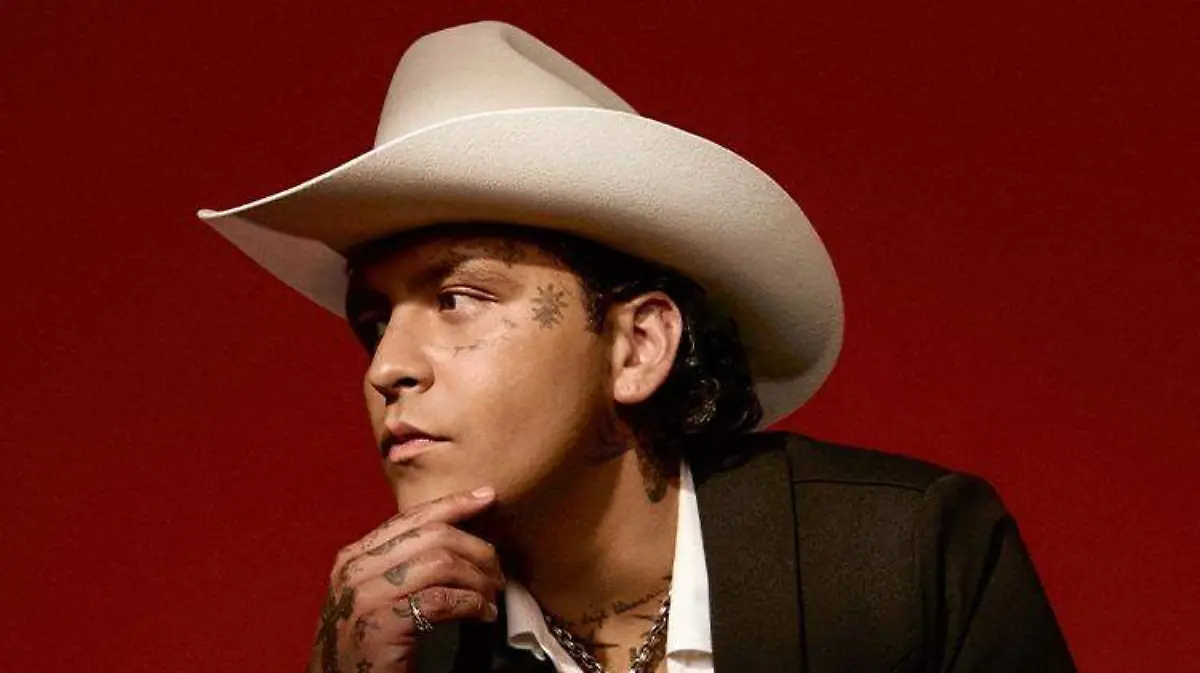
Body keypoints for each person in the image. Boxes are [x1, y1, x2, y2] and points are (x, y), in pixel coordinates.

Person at [197, 20, 1076, 673]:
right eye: (373, 322)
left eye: (458, 299)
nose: (387, 366)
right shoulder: (398, 646)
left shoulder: (905, 556)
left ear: (638, 346)